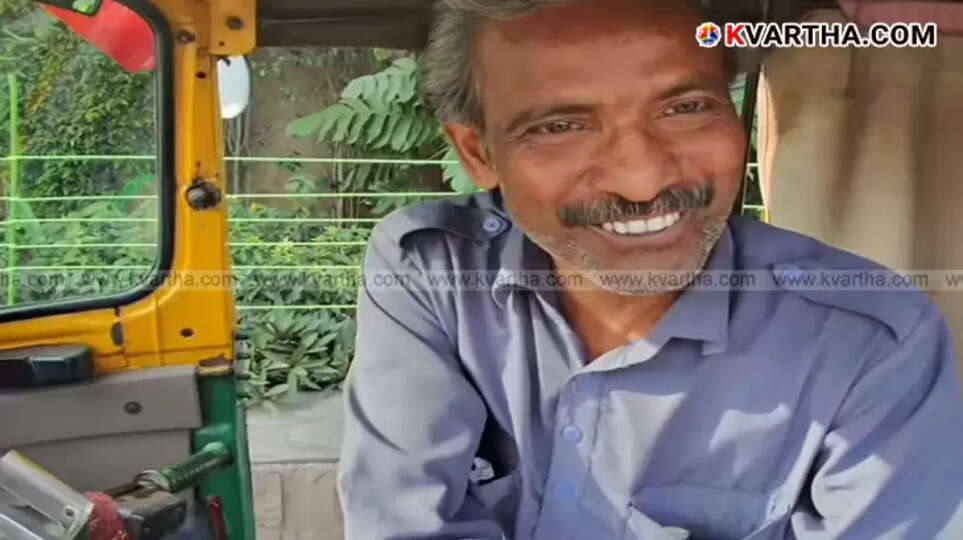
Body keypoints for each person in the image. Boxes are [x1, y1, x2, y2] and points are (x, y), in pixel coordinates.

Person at [337, 1, 963, 538]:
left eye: (685, 108)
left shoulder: (873, 339)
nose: (643, 180)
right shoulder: (433, 273)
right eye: (561, 126)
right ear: (477, 153)